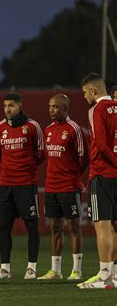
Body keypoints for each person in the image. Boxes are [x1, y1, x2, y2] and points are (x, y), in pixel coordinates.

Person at [0, 93, 44, 280]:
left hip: (26, 184)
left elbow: (40, 153)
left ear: (20, 106)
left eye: (11, 105)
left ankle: (31, 268)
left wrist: (24, 168)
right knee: (4, 227)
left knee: (31, 226)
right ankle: (5, 269)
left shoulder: (32, 126)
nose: (7, 109)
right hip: (5, 185)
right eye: (5, 105)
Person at [37, 94, 89, 281]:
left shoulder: (75, 129)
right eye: (50, 106)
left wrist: (75, 177)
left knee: (74, 227)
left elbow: (84, 158)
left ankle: (76, 270)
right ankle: (55, 270)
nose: (51, 110)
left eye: (56, 107)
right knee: (55, 228)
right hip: (51, 187)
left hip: (69, 186)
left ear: (65, 109)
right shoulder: (48, 129)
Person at [78, 73, 117, 289]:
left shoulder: (96, 109)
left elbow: (101, 145)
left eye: (85, 92)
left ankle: (104, 277)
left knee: (102, 226)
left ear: (93, 90)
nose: (84, 97)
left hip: (103, 173)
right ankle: (115, 274)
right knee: (115, 227)